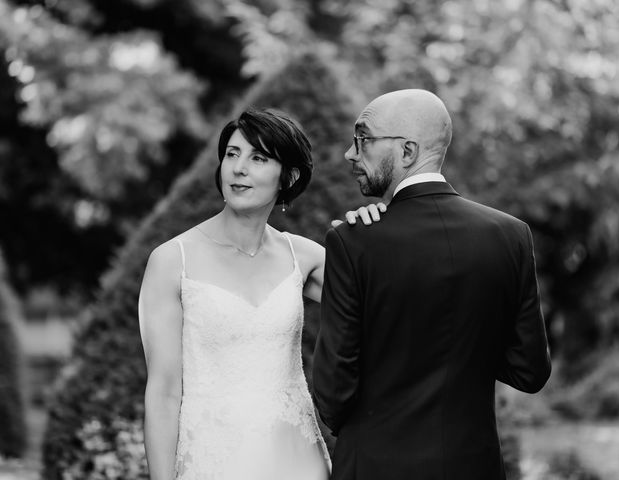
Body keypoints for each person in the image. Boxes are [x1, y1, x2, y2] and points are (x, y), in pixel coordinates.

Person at [312, 89, 552, 480]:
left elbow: (331, 391)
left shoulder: (353, 241)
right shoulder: (511, 235)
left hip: (374, 466)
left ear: (407, 151)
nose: (349, 154)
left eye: (363, 139)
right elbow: (530, 371)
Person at [138, 108, 383, 480]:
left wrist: (377, 231)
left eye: (258, 158)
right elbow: (164, 392)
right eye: (232, 154)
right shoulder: (173, 261)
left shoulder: (304, 258)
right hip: (211, 461)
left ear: (289, 176)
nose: (239, 168)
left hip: (297, 460)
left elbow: (386, 300)